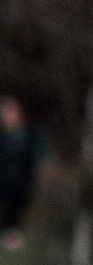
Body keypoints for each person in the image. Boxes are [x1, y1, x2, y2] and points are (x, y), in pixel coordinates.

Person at [0, 96, 46, 250]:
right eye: (3, 112)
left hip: (21, 183)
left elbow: (41, 155)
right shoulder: (2, 136)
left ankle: (10, 236)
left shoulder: (31, 134)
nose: (6, 115)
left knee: (14, 210)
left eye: (10, 111)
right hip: (2, 181)